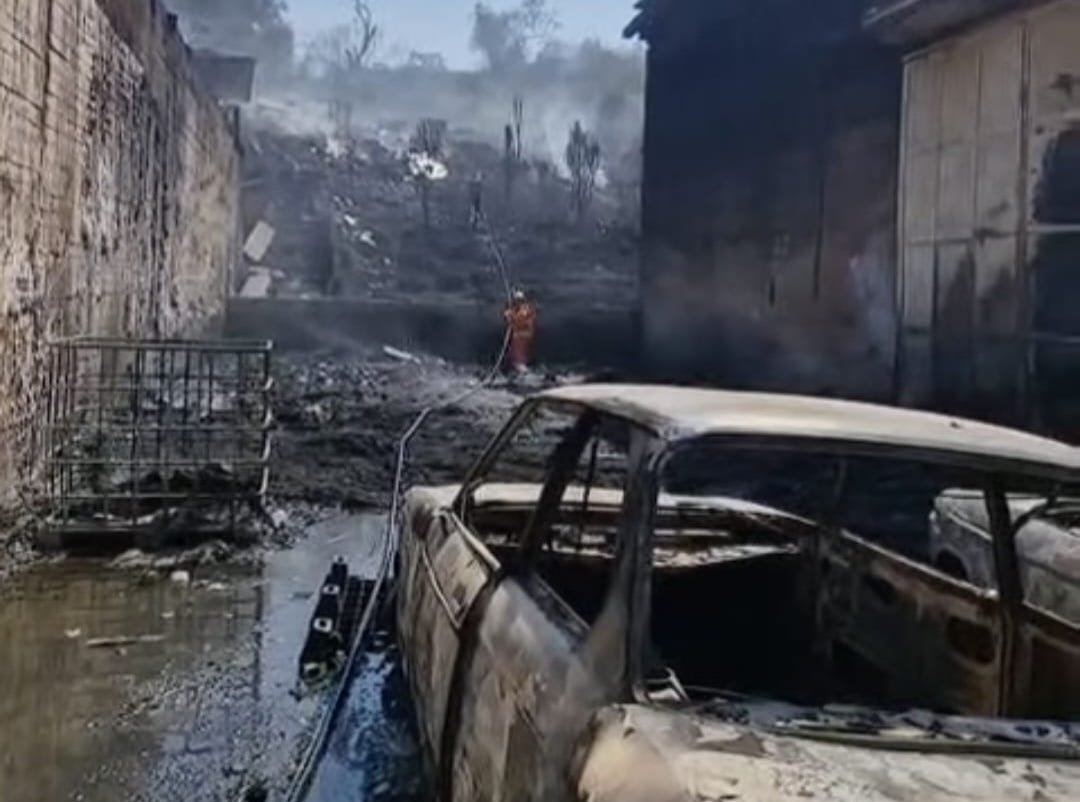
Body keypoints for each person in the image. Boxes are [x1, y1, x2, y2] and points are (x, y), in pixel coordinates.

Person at [504, 290, 537, 372]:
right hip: (519, 334)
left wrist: (510, 317)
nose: (516, 302)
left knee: (520, 350)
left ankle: (521, 366)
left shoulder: (525, 309)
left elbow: (520, 320)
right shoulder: (516, 308)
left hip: (523, 334)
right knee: (514, 350)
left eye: (518, 300)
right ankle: (518, 365)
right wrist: (508, 316)